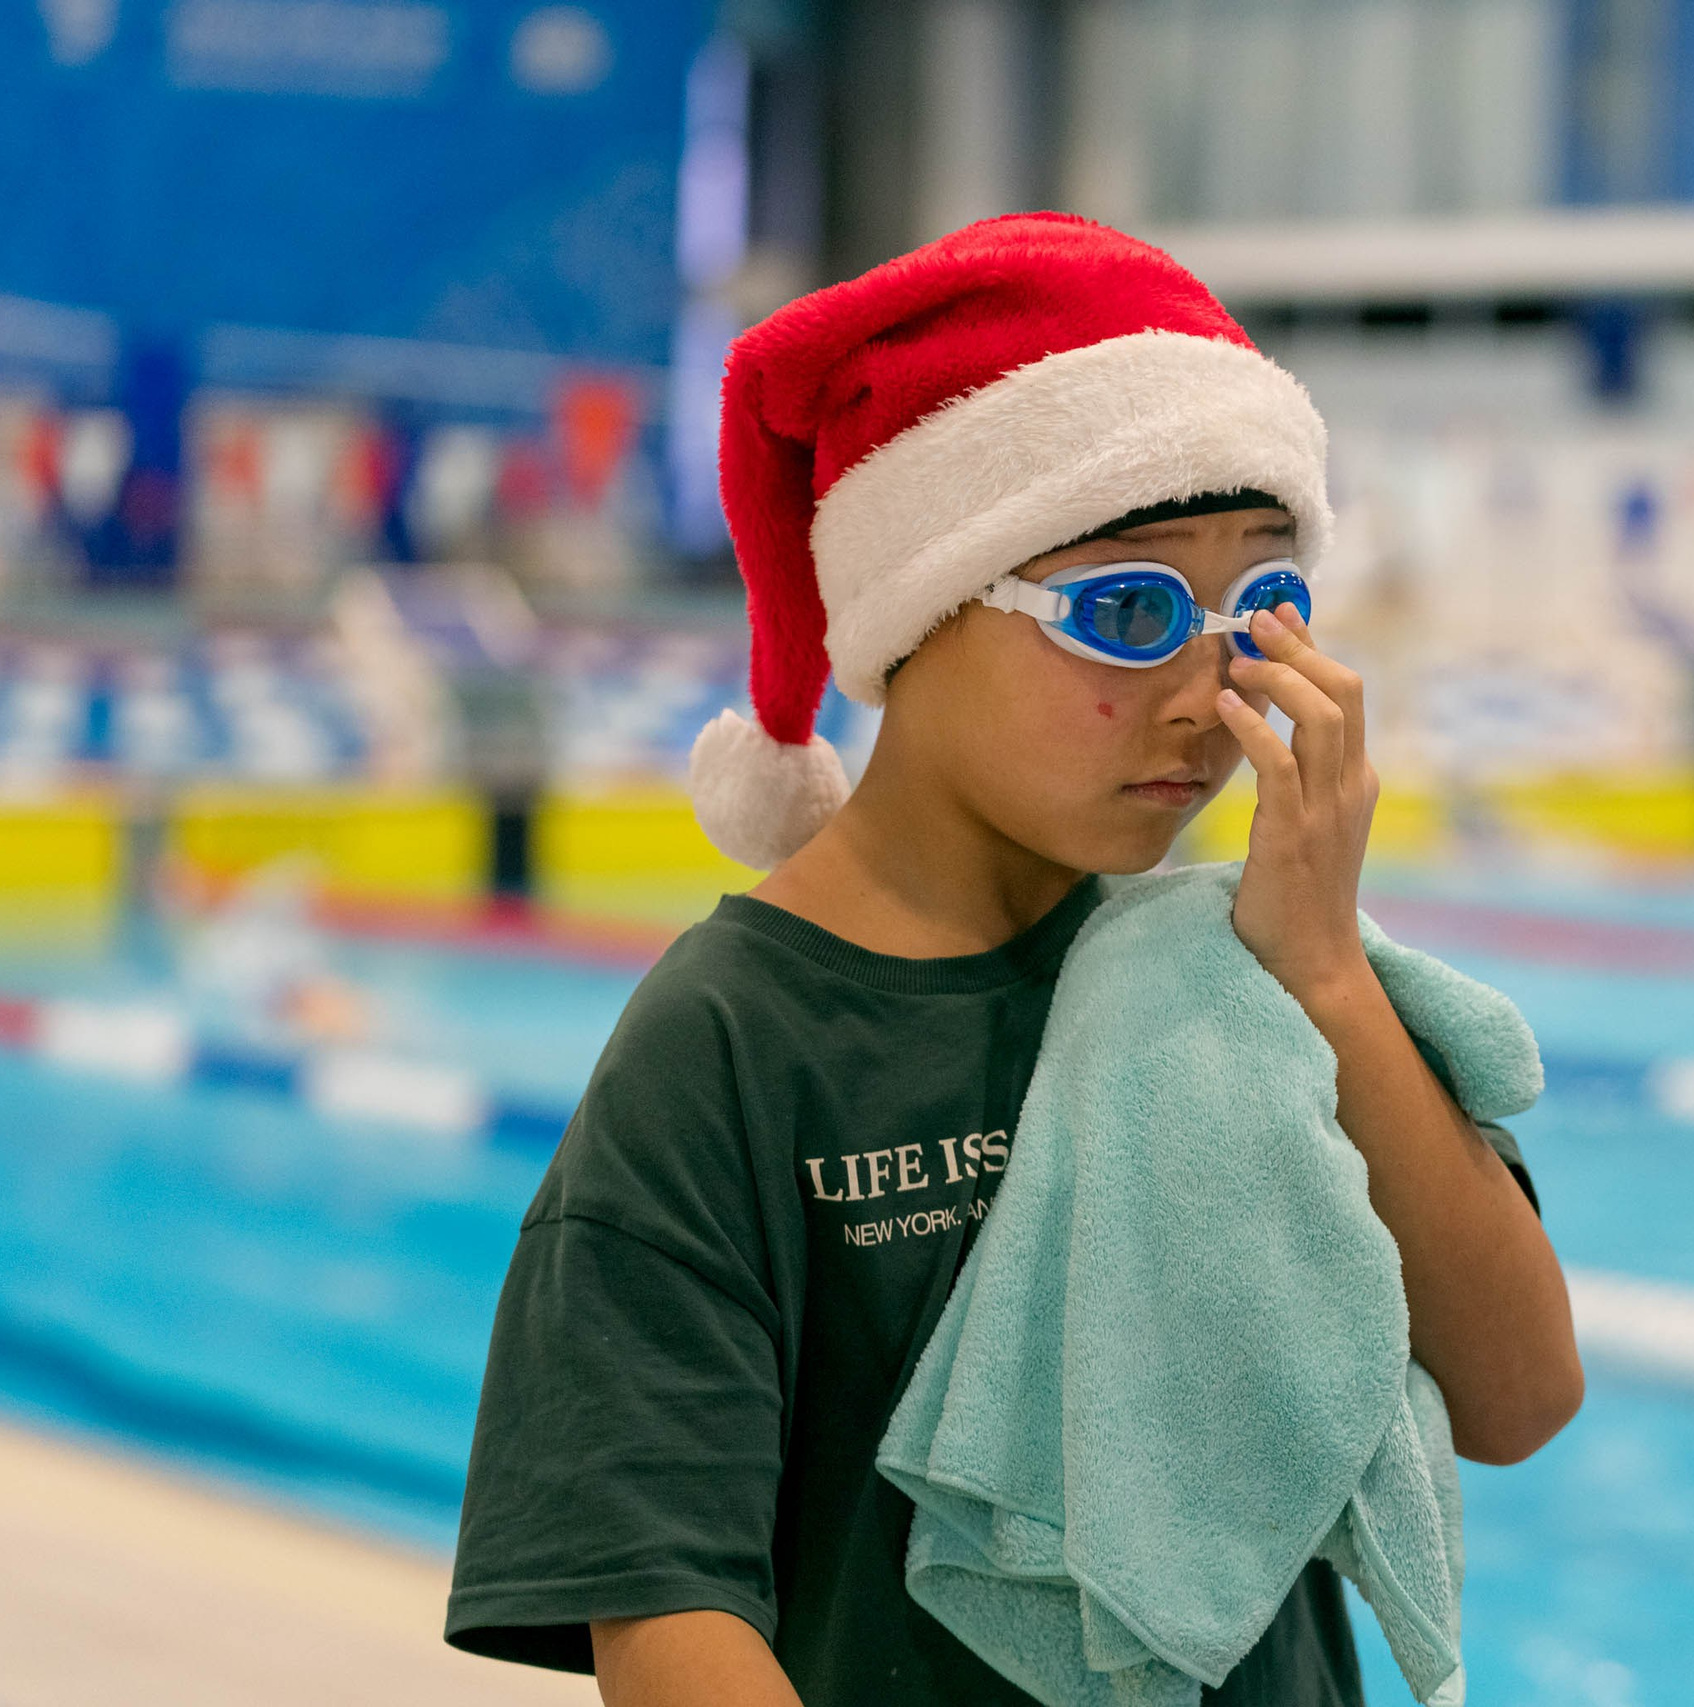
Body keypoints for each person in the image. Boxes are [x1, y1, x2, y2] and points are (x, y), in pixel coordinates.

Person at [443, 213, 1584, 1707]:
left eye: (1259, 611)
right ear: (922, 607)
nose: (1207, 696)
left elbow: (1516, 1395)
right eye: (1129, 613)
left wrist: (1321, 975)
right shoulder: (729, 1043)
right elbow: (668, 1621)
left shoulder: (1256, 969)